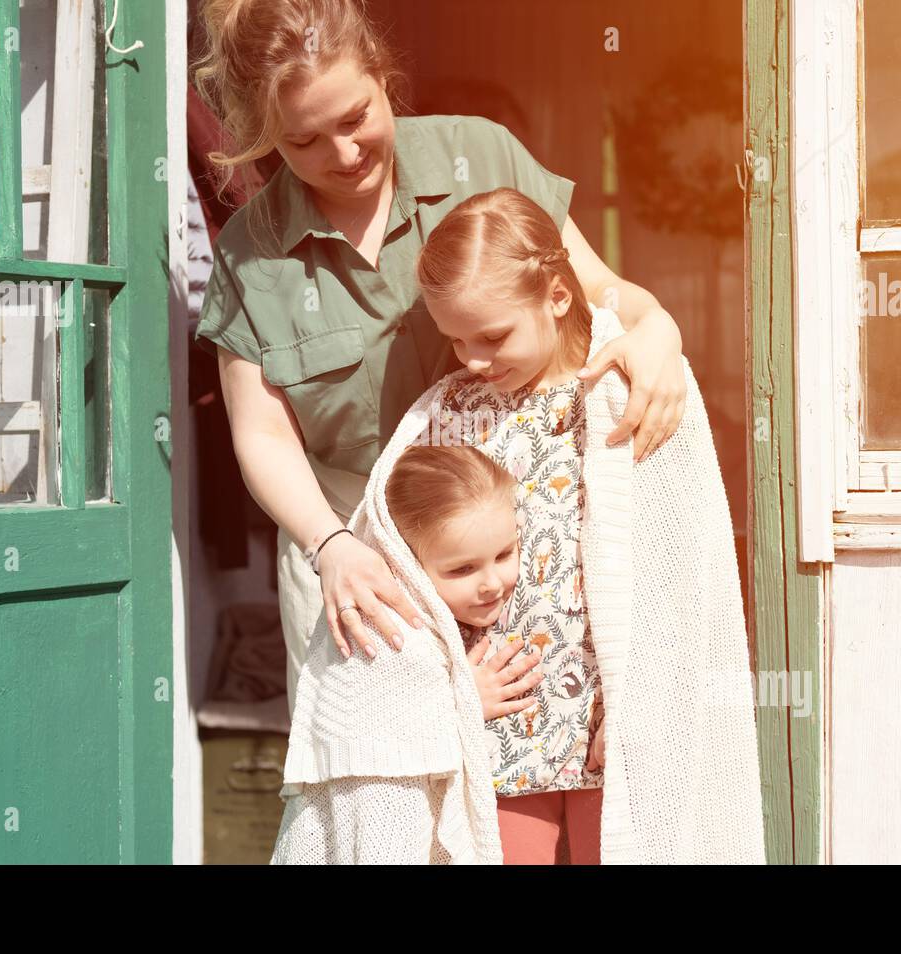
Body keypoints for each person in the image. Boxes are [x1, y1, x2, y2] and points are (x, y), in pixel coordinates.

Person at [192, 0, 691, 714]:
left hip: (512, 551)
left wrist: (660, 329)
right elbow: (262, 433)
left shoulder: (481, 155)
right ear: (268, 134)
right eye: (303, 141)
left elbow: (598, 289)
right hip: (355, 558)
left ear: (381, 74)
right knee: (376, 790)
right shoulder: (249, 251)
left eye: (355, 117)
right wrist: (331, 546)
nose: (342, 154)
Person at [270, 188, 765, 864]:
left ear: (557, 297)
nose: (474, 358)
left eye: (493, 336)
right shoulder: (447, 416)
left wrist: (641, 703)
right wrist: (444, 689)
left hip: (609, 721)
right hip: (499, 721)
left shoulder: (624, 394)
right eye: (455, 340)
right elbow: (405, 573)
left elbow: (676, 562)